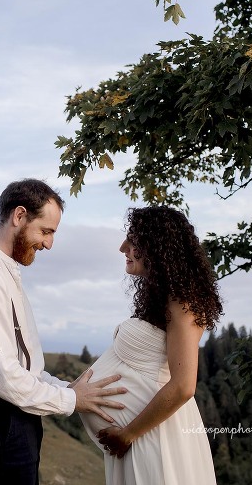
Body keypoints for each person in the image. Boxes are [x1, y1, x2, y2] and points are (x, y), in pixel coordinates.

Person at [0, 178, 127, 485]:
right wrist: (71, 401)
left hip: (11, 415)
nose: (48, 243)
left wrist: (67, 388)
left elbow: (23, 366)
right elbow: (3, 377)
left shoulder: (3, 272)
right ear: (19, 217)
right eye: (46, 231)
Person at [78, 206, 223, 485]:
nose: (123, 247)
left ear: (157, 247)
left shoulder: (183, 302)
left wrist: (129, 433)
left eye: (132, 241)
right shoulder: (162, 298)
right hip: (142, 438)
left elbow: (183, 386)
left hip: (153, 437)